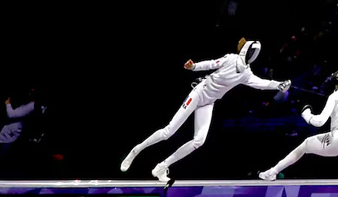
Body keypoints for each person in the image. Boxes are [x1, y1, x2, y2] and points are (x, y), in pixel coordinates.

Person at [121, 38, 290, 183]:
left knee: (199, 141)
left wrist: (278, 85)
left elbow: (262, 84)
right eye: (253, 52)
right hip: (199, 92)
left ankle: (162, 167)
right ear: (246, 51)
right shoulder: (230, 58)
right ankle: (135, 150)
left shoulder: (246, 74)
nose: (254, 56)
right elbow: (211, 63)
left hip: (209, 102)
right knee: (168, 131)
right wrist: (193, 67)